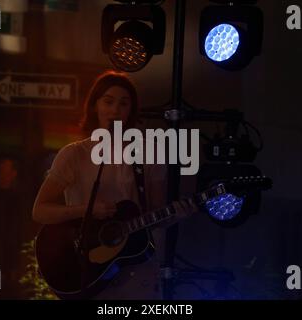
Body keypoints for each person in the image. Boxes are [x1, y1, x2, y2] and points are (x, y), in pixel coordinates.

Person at [32, 70, 197, 299]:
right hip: (86, 270)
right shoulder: (74, 154)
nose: (115, 110)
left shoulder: (148, 152)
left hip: (136, 272)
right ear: (94, 106)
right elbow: (40, 211)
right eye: (108, 102)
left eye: (123, 104)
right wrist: (87, 210)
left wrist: (176, 215)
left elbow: (156, 213)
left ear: (131, 110)